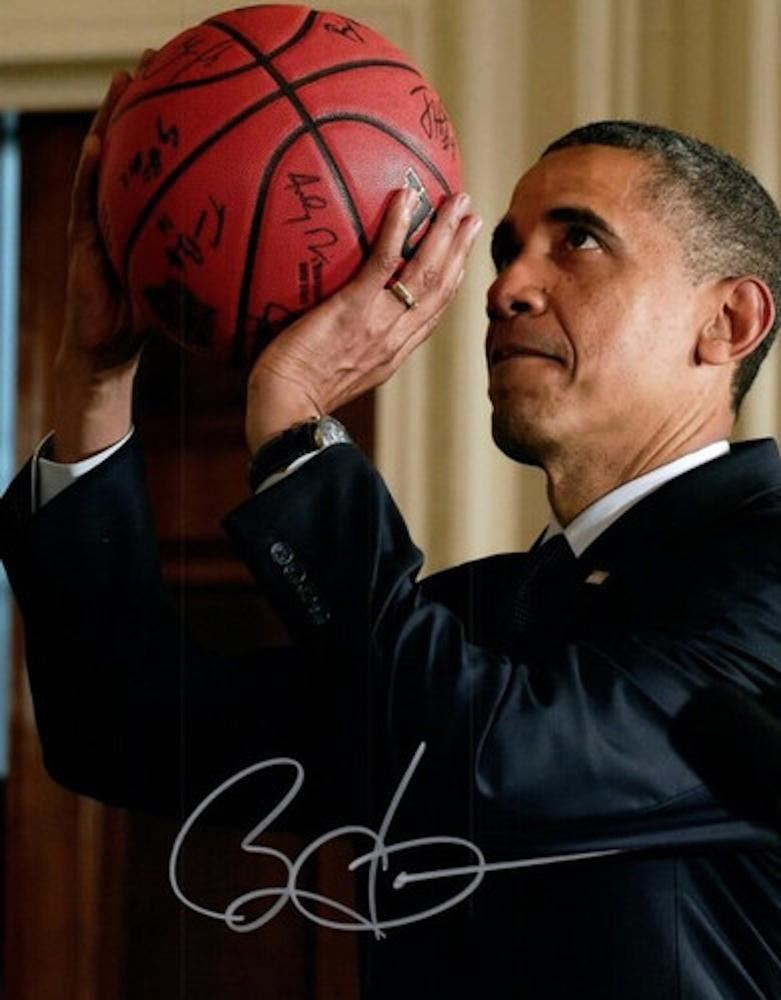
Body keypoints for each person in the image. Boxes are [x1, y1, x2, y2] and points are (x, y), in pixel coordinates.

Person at [2, 66, 781, 999]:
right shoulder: (480, 613)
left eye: (576, 240)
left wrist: (297, 431)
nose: (506, 287)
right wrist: (95, 380)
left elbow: (492, 761)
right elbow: (124, 731)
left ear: (727, 320)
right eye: (504, 251)